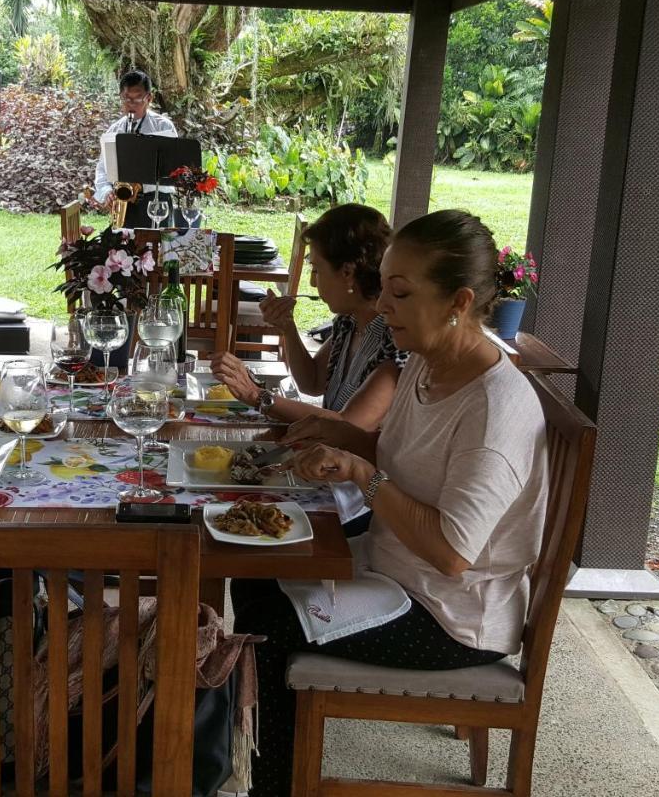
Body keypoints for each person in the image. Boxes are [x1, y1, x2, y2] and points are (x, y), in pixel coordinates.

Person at [231, 209, 550, 795]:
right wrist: (344, 437)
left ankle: (271, 785)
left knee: (265, 632)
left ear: (458, 301)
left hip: (452, 616)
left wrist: (362, 472)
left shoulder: (493, 409)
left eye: (400, 293)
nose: (382, 307)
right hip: (395, 567)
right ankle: (267, 764)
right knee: (252, 573)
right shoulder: (429, 368)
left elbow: (454, 552)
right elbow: (398, 450)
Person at [211, 203, 402, 431]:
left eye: (316, 270)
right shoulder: (349, 322)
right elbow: (311, 383)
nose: (312, 282)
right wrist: (288, 329)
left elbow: (350, 426)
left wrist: (256, 394)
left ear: (348, 273)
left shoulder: (395, 339)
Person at [91, 70, 196, 229]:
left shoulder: (163, 127)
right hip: (123, 205)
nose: (131, 105)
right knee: (121, 250)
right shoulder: (114, 130)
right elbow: (102, 171)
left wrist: (140, 185)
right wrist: (107, 192)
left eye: (137, 99)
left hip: (157, 202)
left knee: (157, 249)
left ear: (149, 98)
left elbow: (174, 173)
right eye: (126, 99)